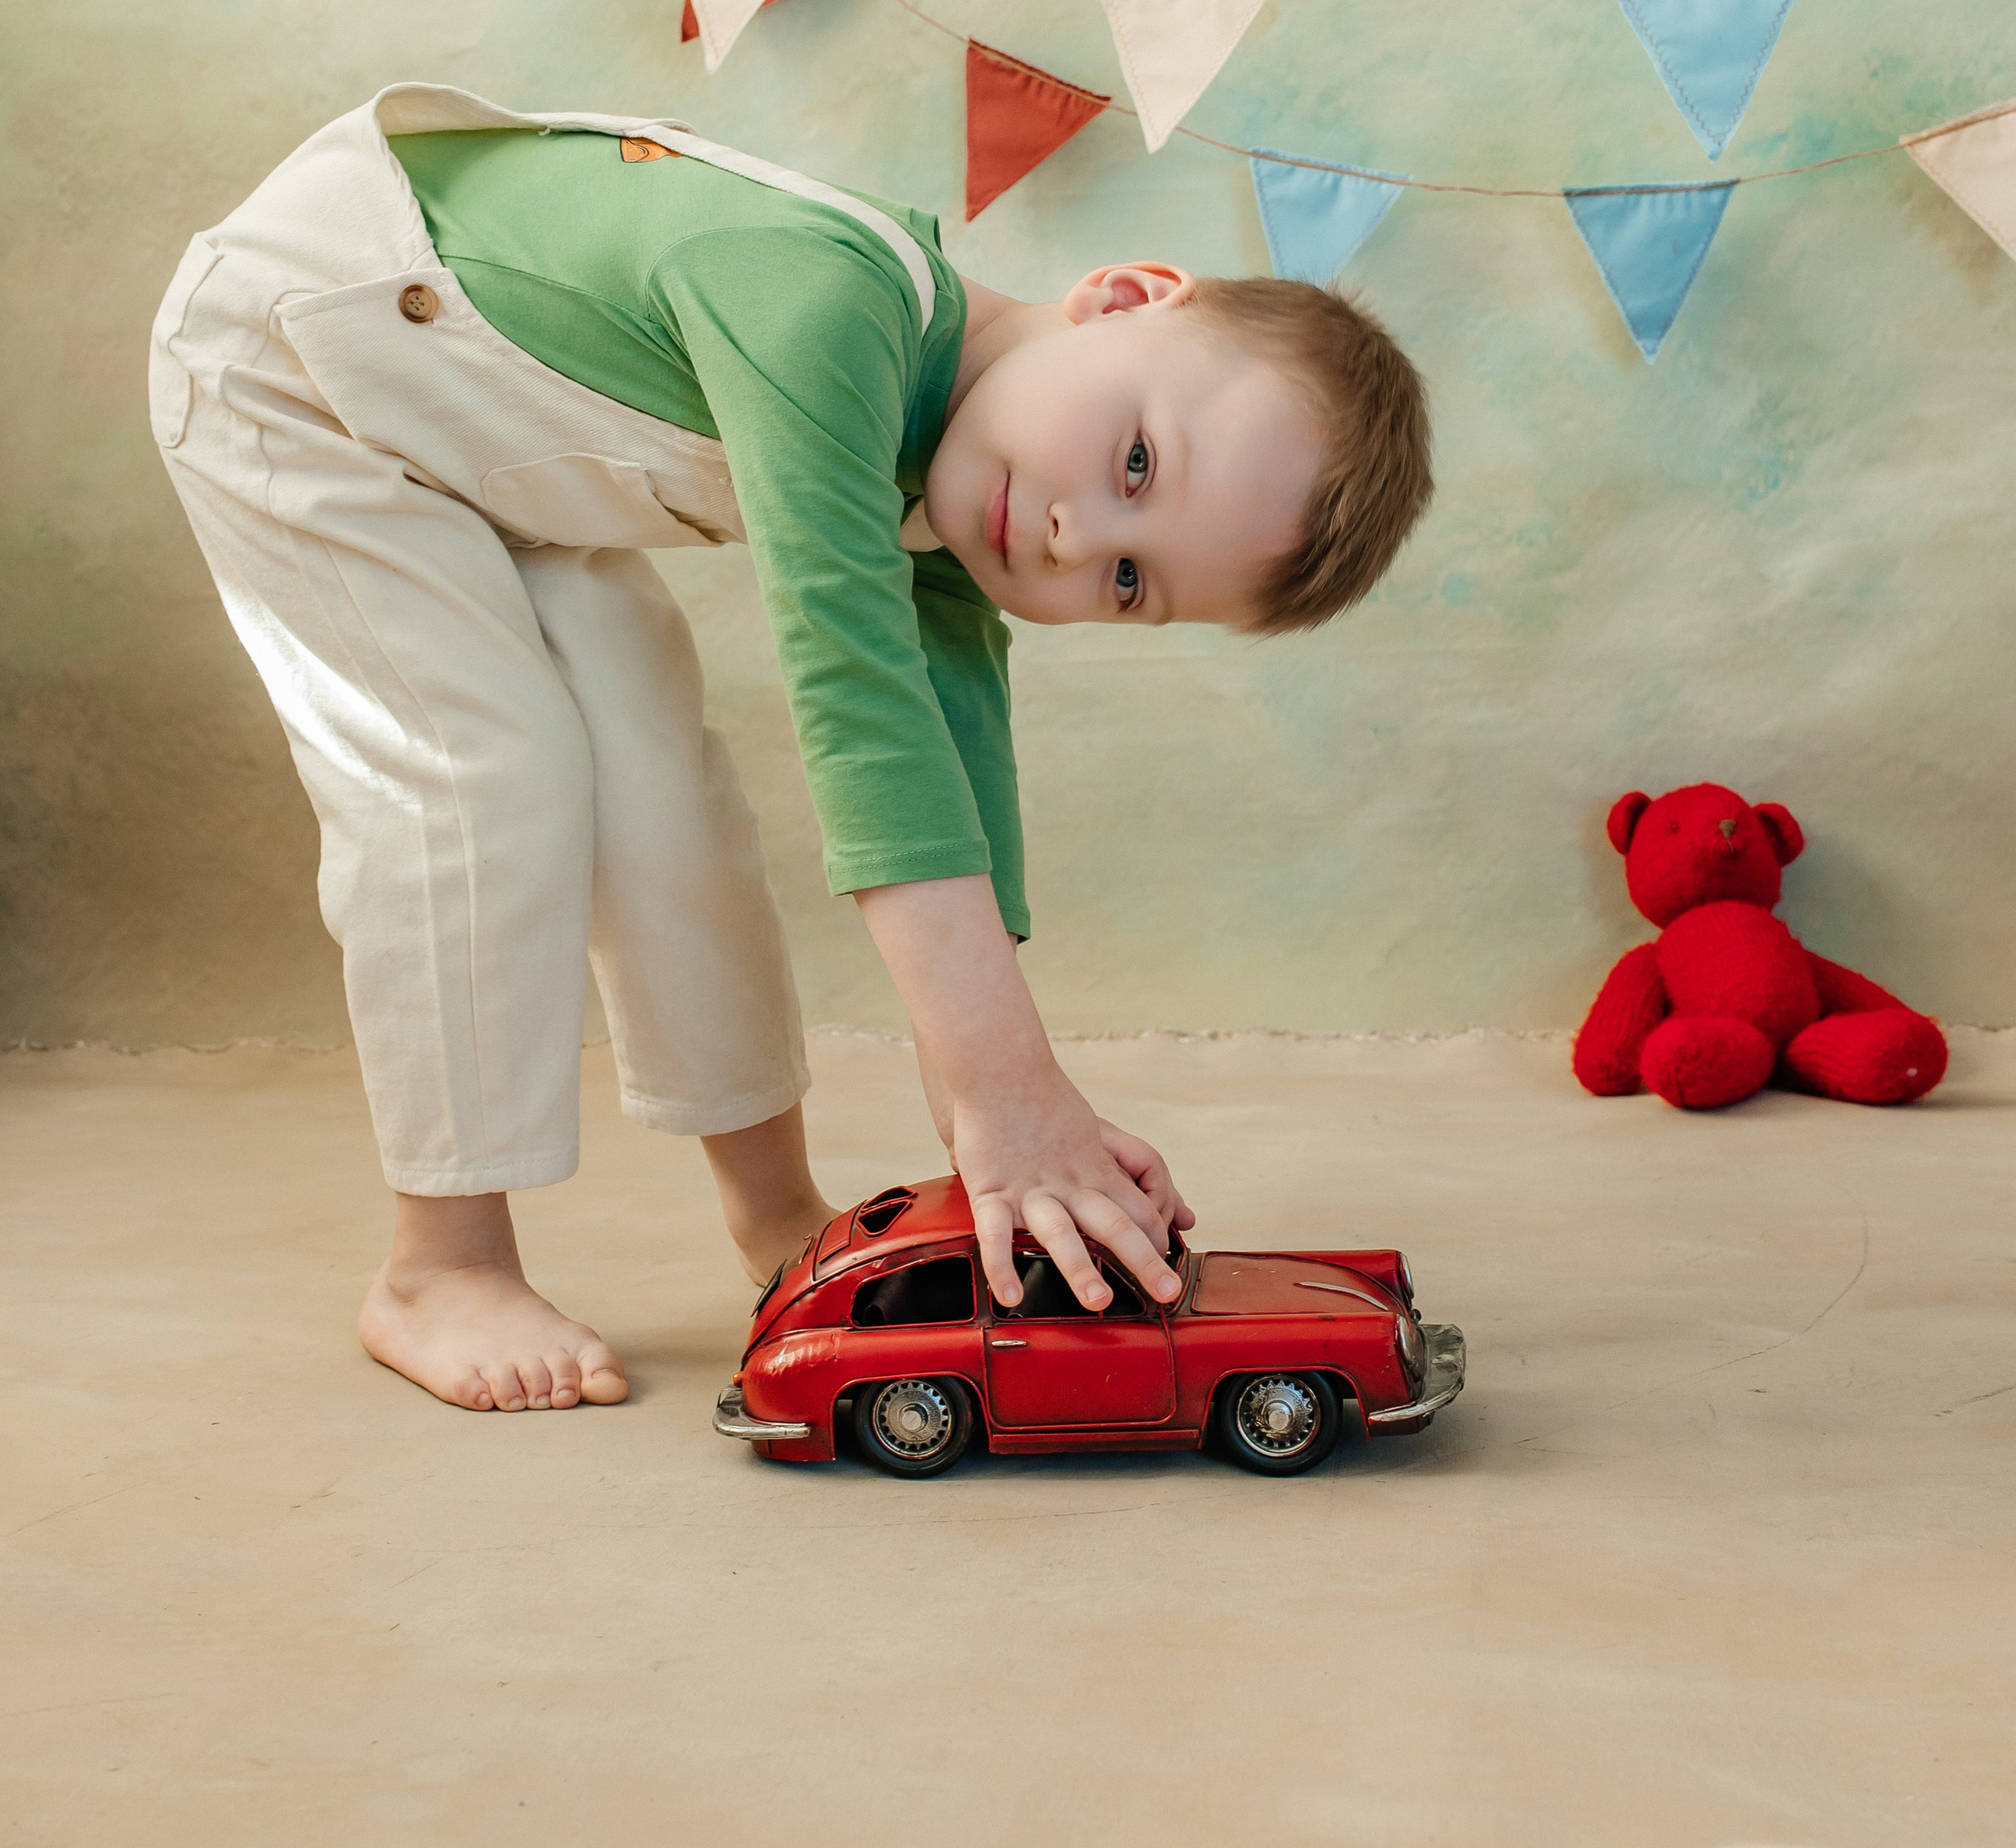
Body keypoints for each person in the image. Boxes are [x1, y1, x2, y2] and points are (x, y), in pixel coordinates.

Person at [149, 82, 1432, 1413]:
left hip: (481, 463)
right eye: (1136, 466)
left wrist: (1019, 1119)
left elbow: (961, 824)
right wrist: (1006, 1091)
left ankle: (776, 1222)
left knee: (671, 807)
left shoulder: (956, 479)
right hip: (297, 370)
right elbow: (861, 720)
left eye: (1125, 582)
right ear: (1120, 298)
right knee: (485, 781)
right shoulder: (825, 316)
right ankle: (439, 1265)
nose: (1072, 539)